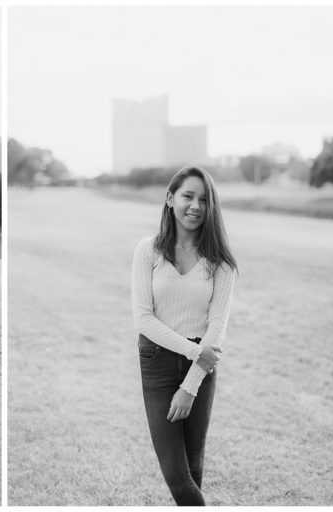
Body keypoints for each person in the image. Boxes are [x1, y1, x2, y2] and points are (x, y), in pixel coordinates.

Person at [131, 166, 238, 505]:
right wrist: (194, 353)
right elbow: (143, 319)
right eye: (188, 196)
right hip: (158, 363)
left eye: (204, 200)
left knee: (193, 471)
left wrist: (191, 386)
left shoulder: (220, 262)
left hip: (201, 373)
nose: (195, 206)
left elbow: (216, 329)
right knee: (178, 479)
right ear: (170, 199)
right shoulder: (148, 250)